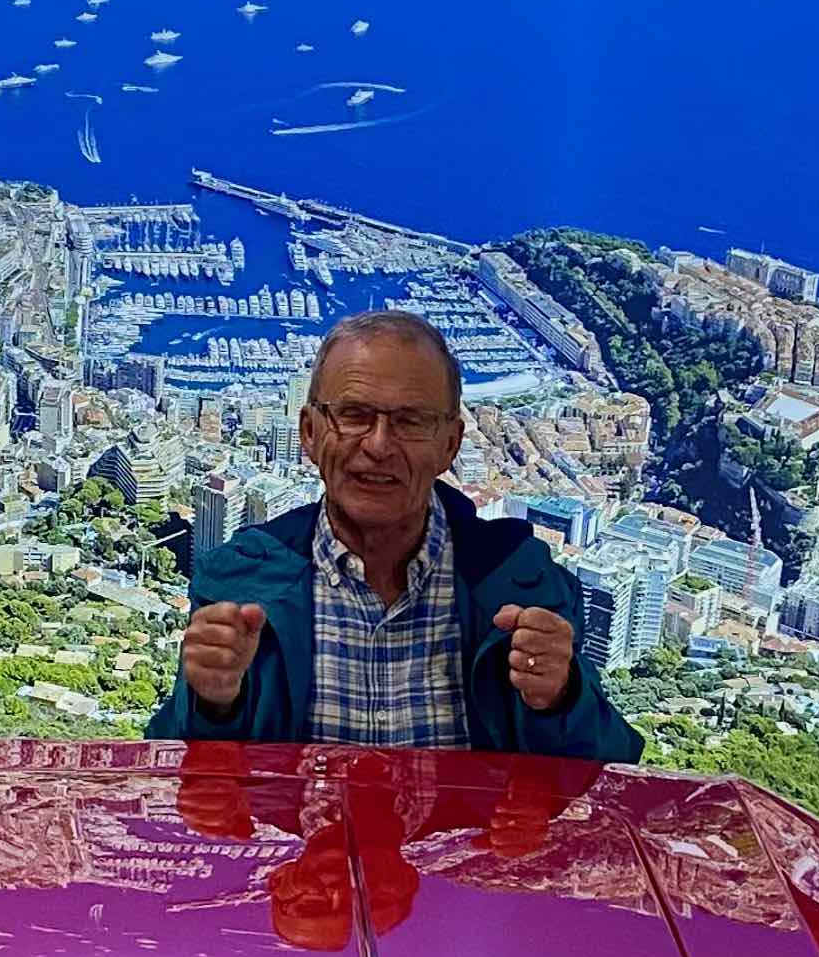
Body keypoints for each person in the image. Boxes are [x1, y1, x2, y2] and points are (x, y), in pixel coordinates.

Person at [145, 313, 642, 758]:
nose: (379, 445)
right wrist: (212, 702)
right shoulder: (242, 580)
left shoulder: (521, 581)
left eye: (410, 421)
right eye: (354, 415)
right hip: (295, 838)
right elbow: (174, 768)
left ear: (450, 445)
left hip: (462, 838)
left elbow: (612, 766)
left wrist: (560, 697)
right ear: (310, 433)